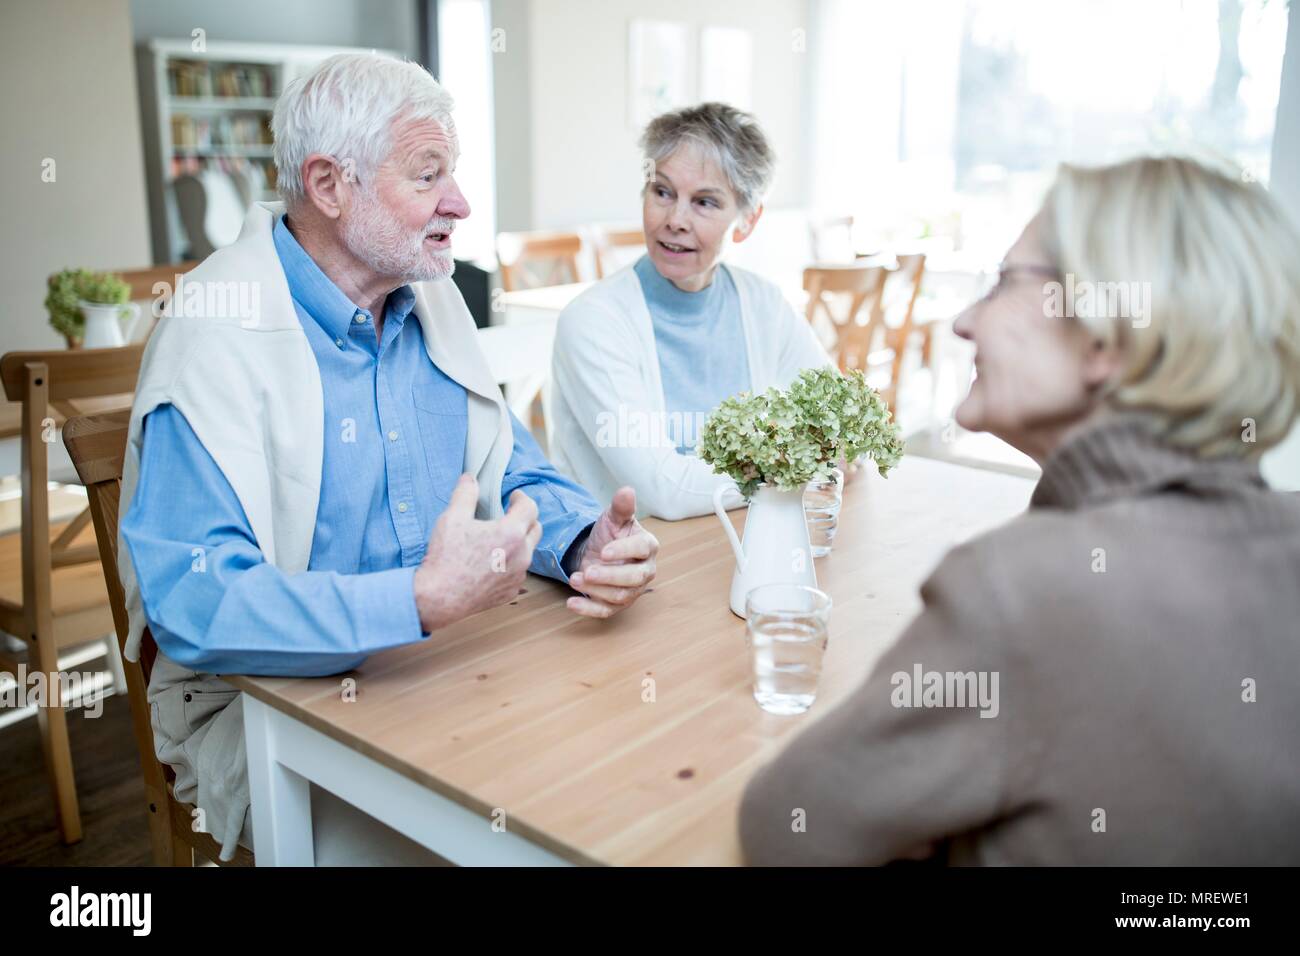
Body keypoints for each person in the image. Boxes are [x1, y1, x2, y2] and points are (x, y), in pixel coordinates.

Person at [118, 53, 658, 863]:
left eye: (454, 172)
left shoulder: (425, 295)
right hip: (274, 712)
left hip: (457, 661)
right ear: (331, 185)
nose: (461, 202)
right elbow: (196, 600)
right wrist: (415, 600)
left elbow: (508, 463)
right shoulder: (212, 333)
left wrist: (582, 540)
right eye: (427, 174)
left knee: (624, 784)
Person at [740, 155, 1300, 865]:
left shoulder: (1027, 590)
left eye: (1005, 284)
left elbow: (787, 823)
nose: (965, 322)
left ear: (1103, 336)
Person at [550, 103, 832, 520]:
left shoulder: (763, 305)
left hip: (738, 539)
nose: (675, 220)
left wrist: (805, 459)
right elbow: (663, 492)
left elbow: (830, 424)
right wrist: (795, 469)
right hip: (629, 562)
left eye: (704, 202)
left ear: (747, 221)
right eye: (662, 192)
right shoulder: (593, 322)